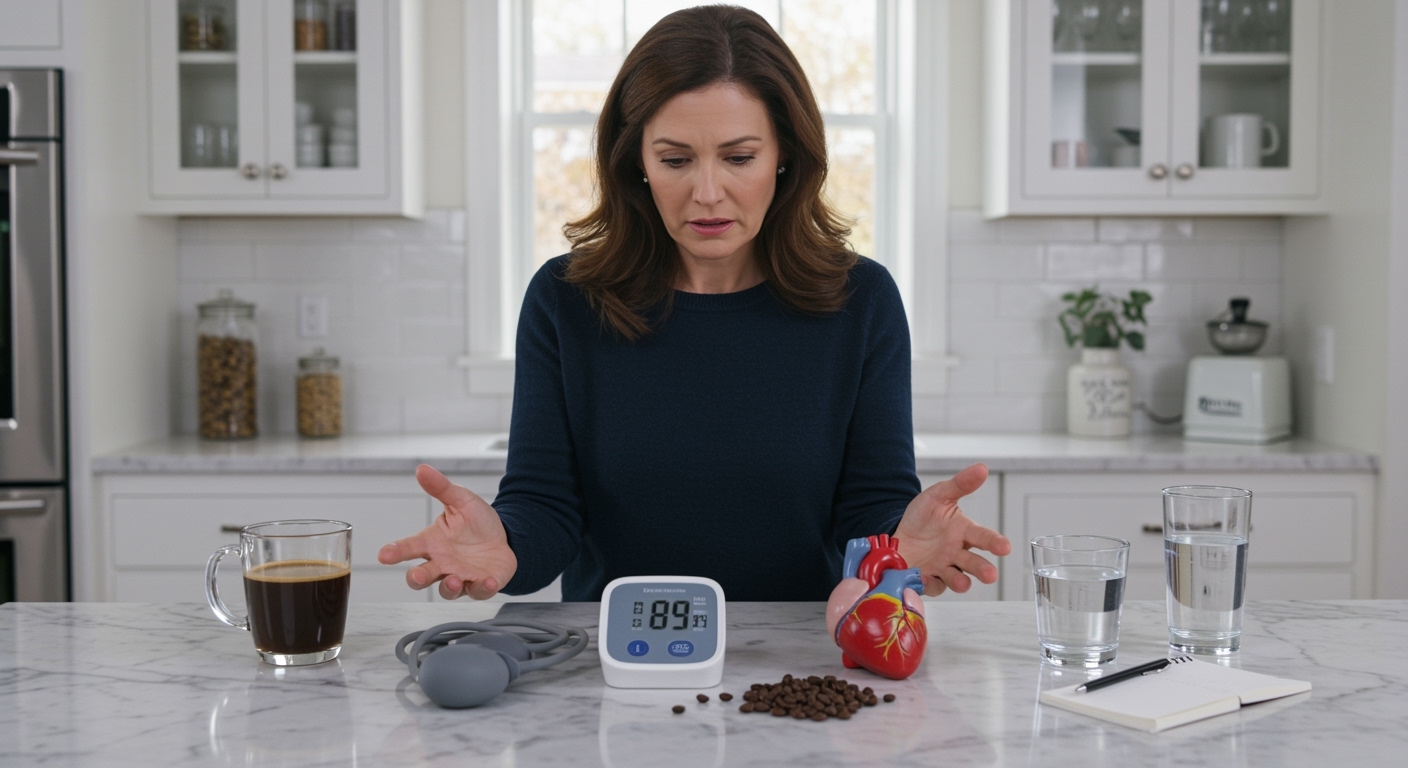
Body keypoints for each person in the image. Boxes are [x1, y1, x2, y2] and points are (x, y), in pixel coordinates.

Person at [378, 5, 1010, 602]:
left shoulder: (860, 300)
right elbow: (545, 506)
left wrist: (899, 546)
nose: (708, 192)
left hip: (804, 664)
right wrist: (508, 549)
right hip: (616, 658)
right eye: (675, 159)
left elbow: (867, 509)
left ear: (785, 155)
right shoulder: (566, 299)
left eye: (739, 157)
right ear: (637, 164)